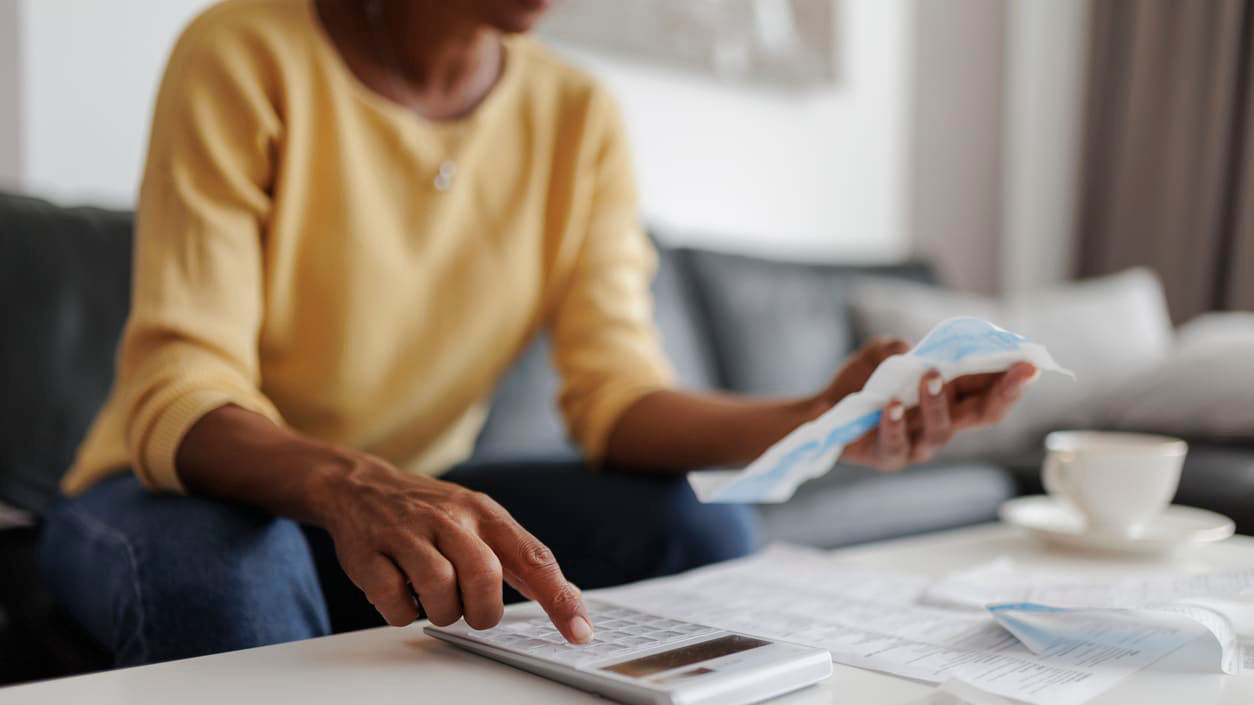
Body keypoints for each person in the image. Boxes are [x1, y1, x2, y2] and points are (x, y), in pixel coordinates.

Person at [40, 0, 1037, 668]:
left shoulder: (576, 116)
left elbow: (616, 399)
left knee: (701, 525)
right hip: (180, 484)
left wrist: (816, 418)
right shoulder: (245, 49)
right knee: (239, 570)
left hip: (406, 495)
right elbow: (182, 387)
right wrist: (352, 483)